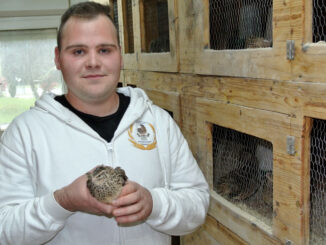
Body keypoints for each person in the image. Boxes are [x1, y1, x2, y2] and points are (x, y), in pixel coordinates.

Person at [0, 2, 209, 245]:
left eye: (104, 50)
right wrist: (62, 202)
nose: (92, 62)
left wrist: (154, 204)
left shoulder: (158, 122)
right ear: (58, 59)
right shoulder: (25, 133)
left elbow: (197, 205)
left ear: (120, 55)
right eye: (78, 51)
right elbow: (5, 230)